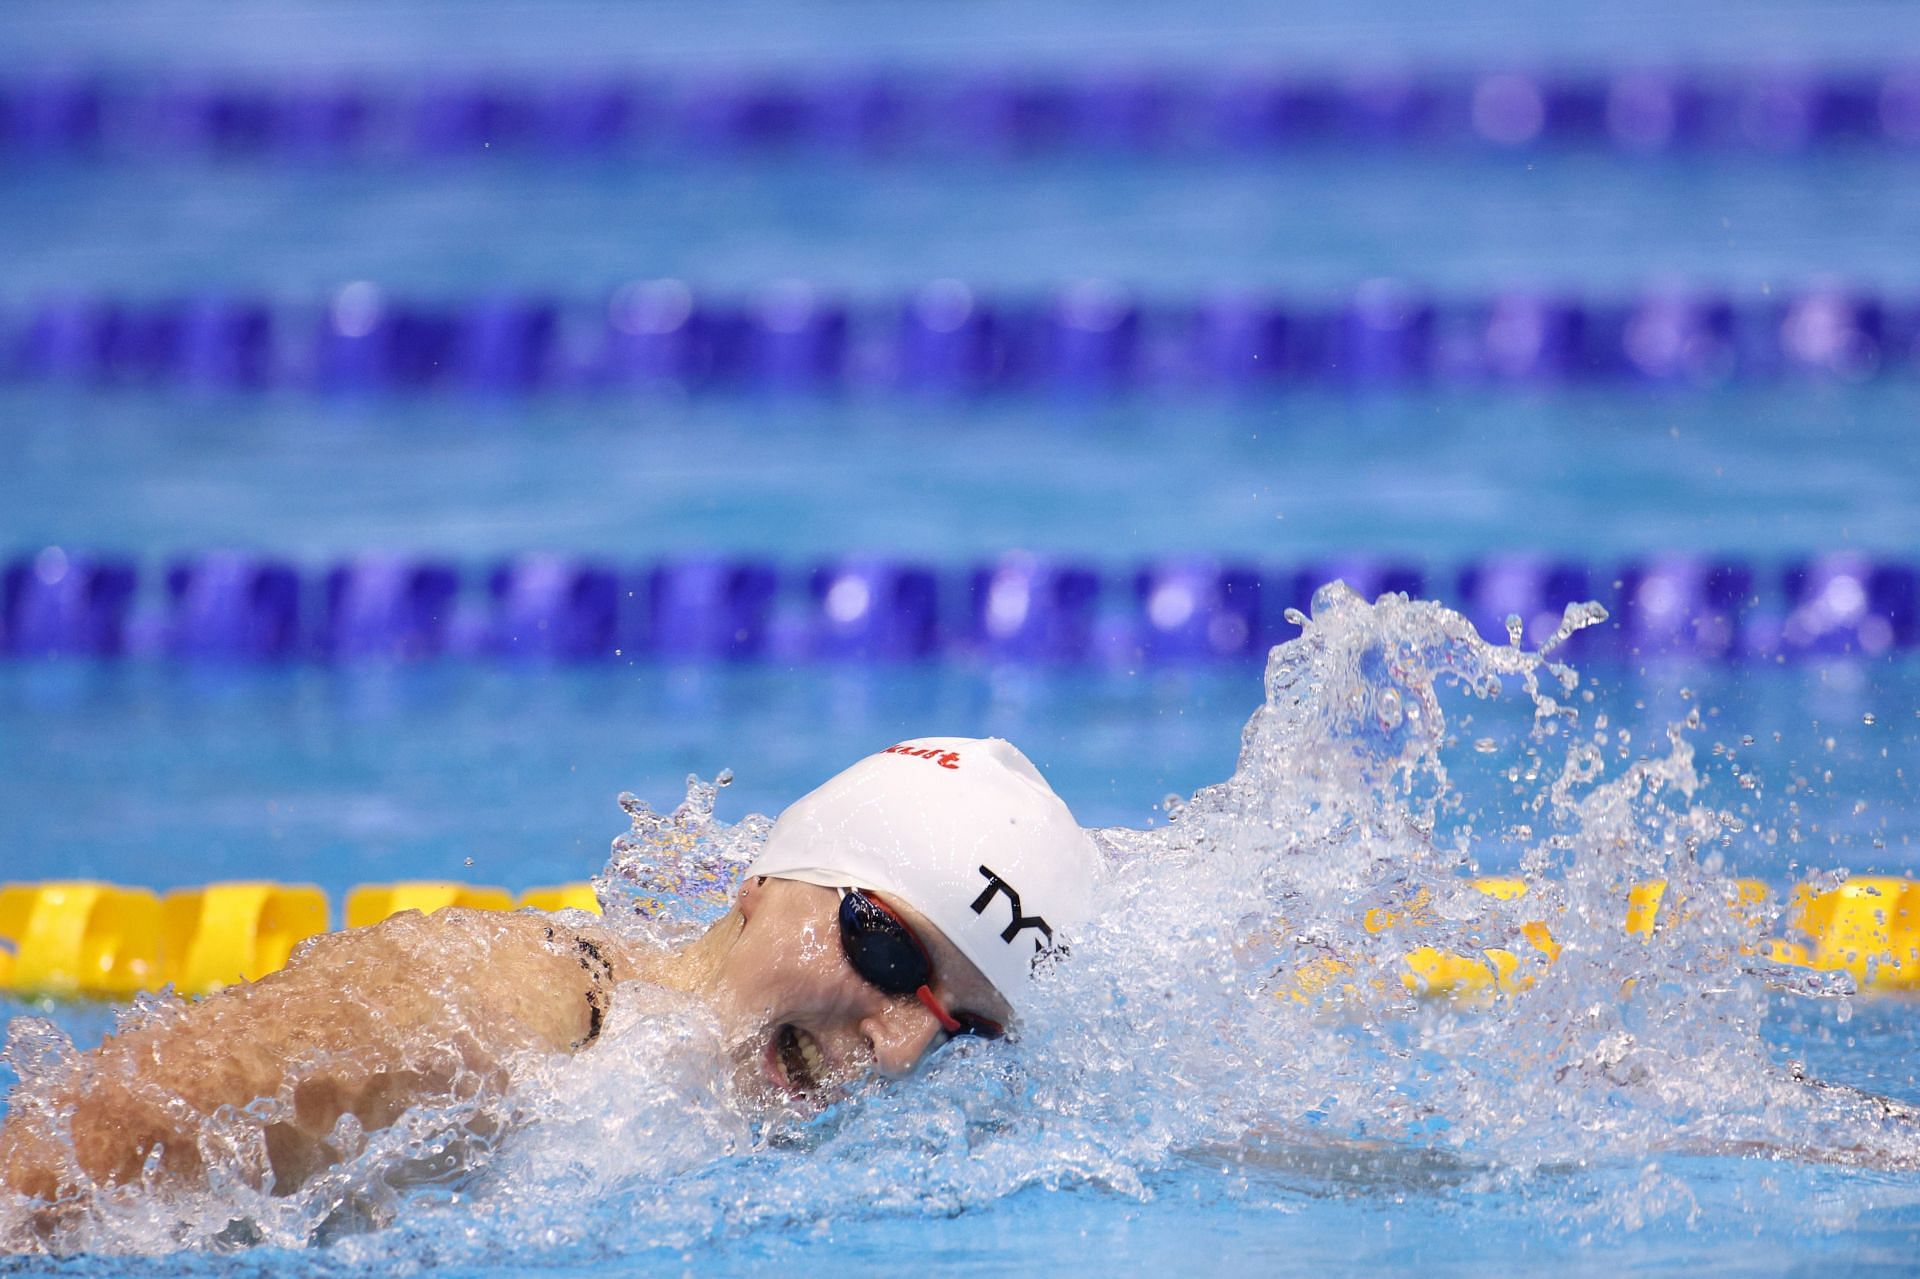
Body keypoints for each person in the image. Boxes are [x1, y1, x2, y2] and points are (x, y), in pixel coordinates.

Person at [0, 737, 1101, 1220]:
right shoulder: (502, 1013)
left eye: (965, 1030)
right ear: (764, 883)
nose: (902, 1047)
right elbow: (54, 1169)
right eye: (890, 950)